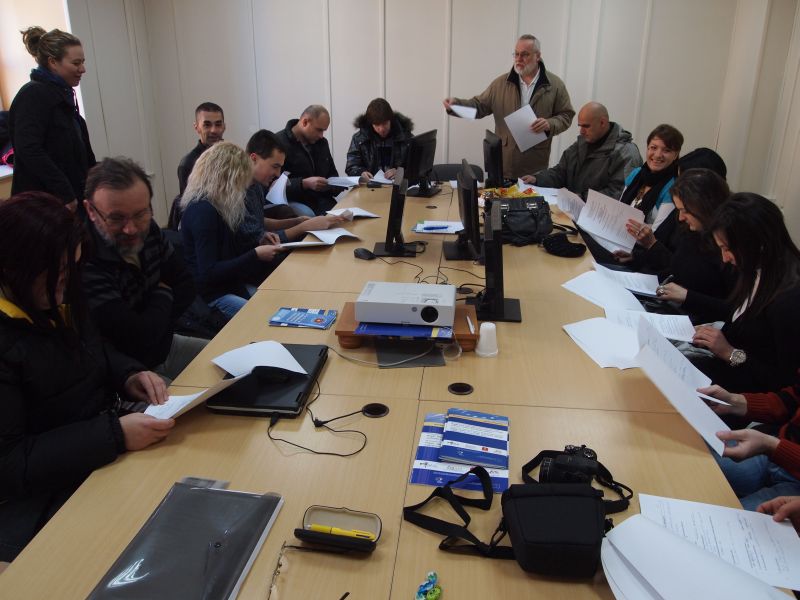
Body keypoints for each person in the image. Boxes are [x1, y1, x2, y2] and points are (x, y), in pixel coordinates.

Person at [0, 193, 174, 562]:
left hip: (92, 449)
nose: (67, 283)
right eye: (59, 273)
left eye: (72, 269)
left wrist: (128, 374)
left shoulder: (57, 296)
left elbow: (93, 349)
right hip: (38, 496)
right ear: (16, 267)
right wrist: (114, 435)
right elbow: (10, 463)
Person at [81, 158, 208, 384]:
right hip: (133, 372)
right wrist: (163, 292)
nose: (131, 229)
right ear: (90, 211)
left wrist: (149, 322)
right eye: (116, 218)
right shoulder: (85, 258)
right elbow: (135, 338)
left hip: (167, 346)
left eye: (141, 214)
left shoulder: (149, 230)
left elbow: (187, 286)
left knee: (239, 369)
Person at [691, 193, 800, 392]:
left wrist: (730, 353)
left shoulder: (788, 300)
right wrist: (712, 334)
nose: (724, 258)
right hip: (728, 374)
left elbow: (784, 383)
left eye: (727, 249)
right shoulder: (756, 268)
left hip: (747, 394)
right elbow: (742, 326)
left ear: (758, 244)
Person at [443, 34, 574, 178]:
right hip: (504, 164)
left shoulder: (555, 85)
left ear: (537, 56)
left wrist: (549, 124)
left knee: (529, 193)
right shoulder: (500, 84)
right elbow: (479, 107)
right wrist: (455, 106)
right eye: (516, 54)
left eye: (524, 54)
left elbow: (566, 115)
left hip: (535, 167)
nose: (519, 59)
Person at [180, 142, 283, 318]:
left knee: (277, 302)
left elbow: (231, 255)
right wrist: (255, 254)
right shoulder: (203, 211)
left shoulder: (221, 206)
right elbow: (209, 273)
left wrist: (260, 240)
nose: (245, 186)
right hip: (212, 296)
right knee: (265, 317)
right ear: (228, 178)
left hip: (229, 284)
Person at [8, 27, 95, 210]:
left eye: (82, 62)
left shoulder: (63, 95)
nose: (83, 69)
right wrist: (65, 193)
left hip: (70, 198)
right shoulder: (33, 95)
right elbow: (29, 150)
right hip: (44, 205)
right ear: (53, 62)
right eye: (76, 63)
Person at [646, 168, 736, 324]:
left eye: (685, 211)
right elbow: (677, 268)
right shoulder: (693, 231)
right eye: (679, 210)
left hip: (702, 323)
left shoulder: (730, 247)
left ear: (705, 206)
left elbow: (735, 310)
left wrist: (687, 297)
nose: (681, 218)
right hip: (676, 310)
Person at [700, 379, 800, 511]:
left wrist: (771, 446)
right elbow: (792, 399)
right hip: (778, 448)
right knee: (690, 455)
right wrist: (734, 402)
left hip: (785, 462)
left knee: (719, 520)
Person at [240, 130, 345, 250]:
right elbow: (261, 242)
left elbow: (258, 221)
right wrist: (304, 227)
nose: (278, 174)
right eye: (275, 166)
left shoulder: (256, 186)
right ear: (254, 158)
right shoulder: (237, 193)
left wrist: (297, 221)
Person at [520, 101, 641, 199]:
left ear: (602, 122)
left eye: (586, 126)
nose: (581, 131)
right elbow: (560, 172)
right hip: (574, 210)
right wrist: (538, 179)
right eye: (580, 126)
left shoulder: (626, 153)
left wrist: (582, 198)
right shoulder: (582, 143)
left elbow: (620, 193)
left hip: (598, 218)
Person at [276, 105, 341, 216]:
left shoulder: (322, 143)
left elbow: (332, 174)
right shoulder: (279, 143)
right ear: (305, 122)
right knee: (311, 215)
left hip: (322, 200)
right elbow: (274, 186)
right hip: (296, 201)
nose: (321, 135)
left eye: (324, 131)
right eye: (319, 130)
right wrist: (303, 184)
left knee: (347, 216)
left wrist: (334, 185)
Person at [345, 98, 414, 180]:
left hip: (398, 185)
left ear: (391, 120)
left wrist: (401, 173)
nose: (381, 129)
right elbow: (351, 166)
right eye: (376, 125)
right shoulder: (359, 139)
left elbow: (417, 167)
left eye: (385, 123)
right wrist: (361, 172)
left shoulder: (406, 138)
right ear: (370, 123)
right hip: (369, 185)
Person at [177, 102, 225, 196]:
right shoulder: (188, 164)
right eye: (207, 125)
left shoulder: (233, 159)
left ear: (224, 126)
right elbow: (188, 203)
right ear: (197, 127)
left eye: (218, 124)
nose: (213, 130)